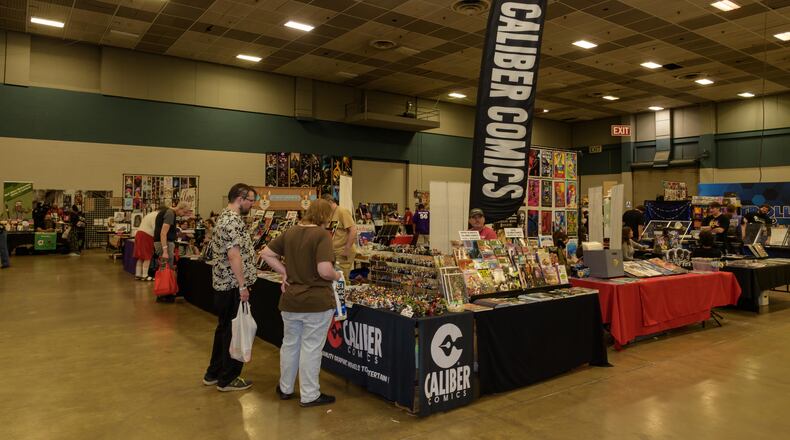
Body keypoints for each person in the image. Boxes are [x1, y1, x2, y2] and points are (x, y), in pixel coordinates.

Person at [261, 198, 340, 407]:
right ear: (325, 216)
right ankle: (310, 394)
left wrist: (285, 272)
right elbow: (324, 270)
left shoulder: (291, 232)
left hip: (290, 300)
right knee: (311, 348)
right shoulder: (322, 235)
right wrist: (337, 275)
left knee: (290, 344)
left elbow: (266, 254)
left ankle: (285, 387)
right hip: (316, 301)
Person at [203, 184, 258, 392]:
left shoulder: (224, 218)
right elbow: (233, 255)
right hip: (233, 285)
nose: (252, 204)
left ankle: (213, 373)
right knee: (234, 332)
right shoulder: (231, 221)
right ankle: (228, 378)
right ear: (240, 198)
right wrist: (243, 285)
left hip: (224, 284)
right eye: (250, 200)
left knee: (225, 328)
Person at [154, 201, 192, 302]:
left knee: (164, 268)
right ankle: (164, 293)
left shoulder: (167, 212)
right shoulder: (170, 214)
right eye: (184, 212)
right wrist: (165, 251)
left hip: (163, 243)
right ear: (180, 209)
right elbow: (163, 233)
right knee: (166, 269)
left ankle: (164, 292)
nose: (183, 215)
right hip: (164, 244)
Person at [321, 194, 356, 281]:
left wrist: (347, 248)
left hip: (343, 251)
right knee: (335, 279)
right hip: (333, 252)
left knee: (342, 279)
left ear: (330, 202)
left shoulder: (342, 211)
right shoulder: (329, 214)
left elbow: (353, 230)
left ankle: (344, 294)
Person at [133, 210, 158, 281]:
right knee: (147, 257)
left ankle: (138, 274)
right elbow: (155, 228)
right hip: (146, 235)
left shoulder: (150, 214)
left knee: (140, 257)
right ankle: (145, 276)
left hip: (139, 234)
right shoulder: (156, 215)